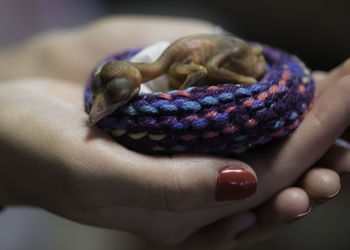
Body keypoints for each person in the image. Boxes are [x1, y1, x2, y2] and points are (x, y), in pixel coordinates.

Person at [0, 16, 349, 249]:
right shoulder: (155, 66)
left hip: (232, 58)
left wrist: (39, 60)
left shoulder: (170, 64)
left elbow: (201, 70)